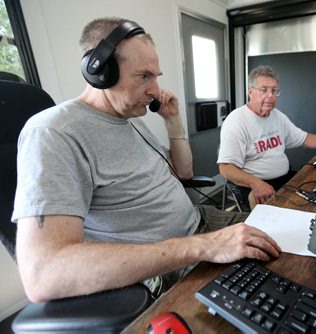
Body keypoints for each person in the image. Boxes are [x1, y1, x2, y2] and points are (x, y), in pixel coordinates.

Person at [12, 17, 281, 303]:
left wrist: (173, 121)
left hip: (200, 223)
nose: (155, 90)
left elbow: (185, 173)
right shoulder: (54, 133)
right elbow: (43, 274)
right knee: (271, 296)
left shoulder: (131, 119)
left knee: (289, 240)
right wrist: (204, 246)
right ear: (100, 72)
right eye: (144, 77)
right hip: (168, 263)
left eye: (156, 77)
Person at [217, 65, 316, 211]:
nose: (270, 96)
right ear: (250, 92)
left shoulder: (277, 116)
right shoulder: (236, 121)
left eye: (274, 90)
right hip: (258, 187)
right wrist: (255, 182)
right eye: (264, 90)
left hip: (284, 180)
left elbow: (304, 138)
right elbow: (226, 168)